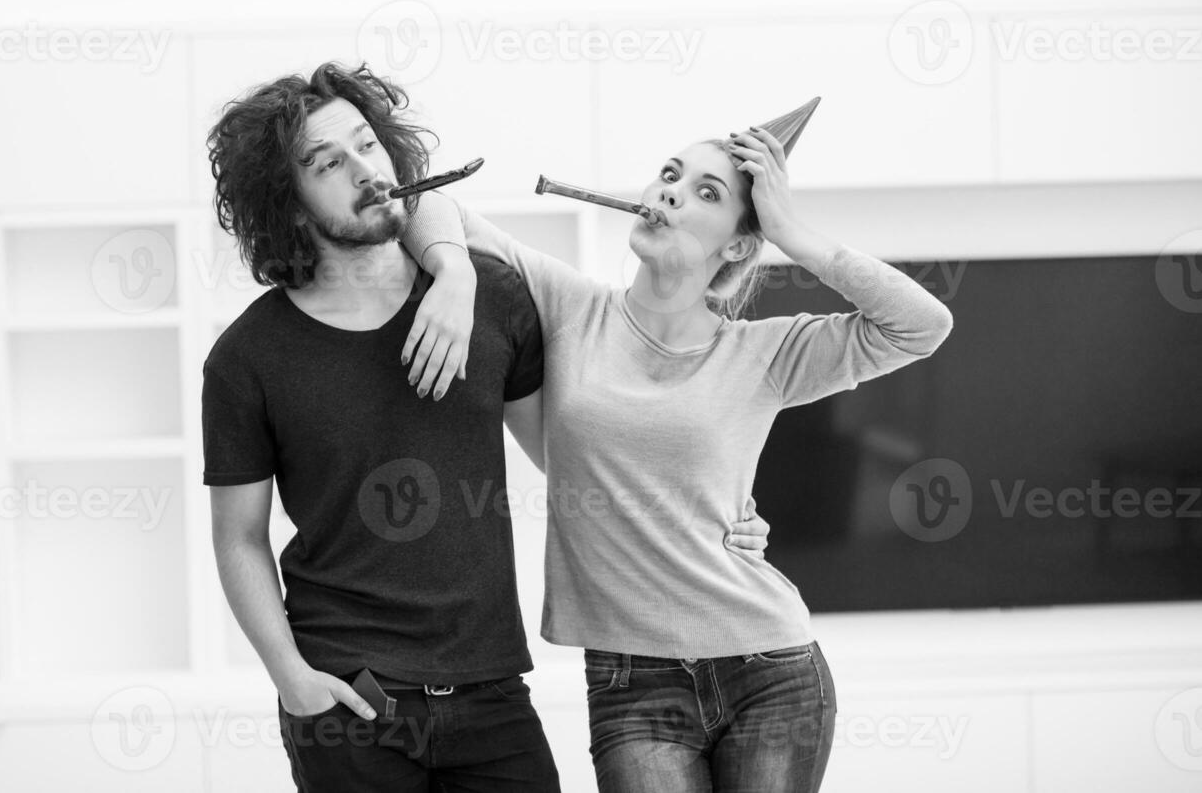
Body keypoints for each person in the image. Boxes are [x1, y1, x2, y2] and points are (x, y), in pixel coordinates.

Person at [400, 119, 955, 792]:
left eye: (705, 192)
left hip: (769, 670)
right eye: (668, 175)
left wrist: (791, 233)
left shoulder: (763, 353)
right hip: (631, 681)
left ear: (741, 243)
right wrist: (454, 271)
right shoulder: (571, 307)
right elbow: (425, 202)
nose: (669, 194)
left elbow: (922, 325)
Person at [201, 60, 566, 792]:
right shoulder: (246, 359)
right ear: (288, 199)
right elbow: (238, 537)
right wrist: (292, 680)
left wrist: (716, 510)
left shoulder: (486, 297)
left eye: (367, 145)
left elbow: (571, 461)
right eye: (325, 163)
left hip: (490, 687)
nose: (363, 170)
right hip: (347, 698)